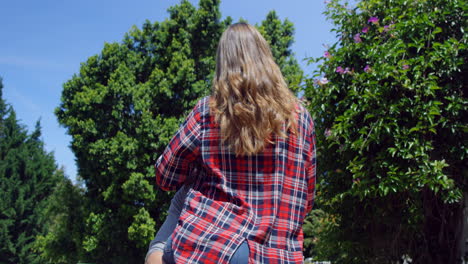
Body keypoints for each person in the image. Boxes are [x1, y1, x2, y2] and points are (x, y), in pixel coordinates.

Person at [146, 22, 316, 264]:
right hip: (279, 255)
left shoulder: (208, 111)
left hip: (211, 249)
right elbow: (306, 200)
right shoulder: (302, 119)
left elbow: (165, 176)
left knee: (160, 243)